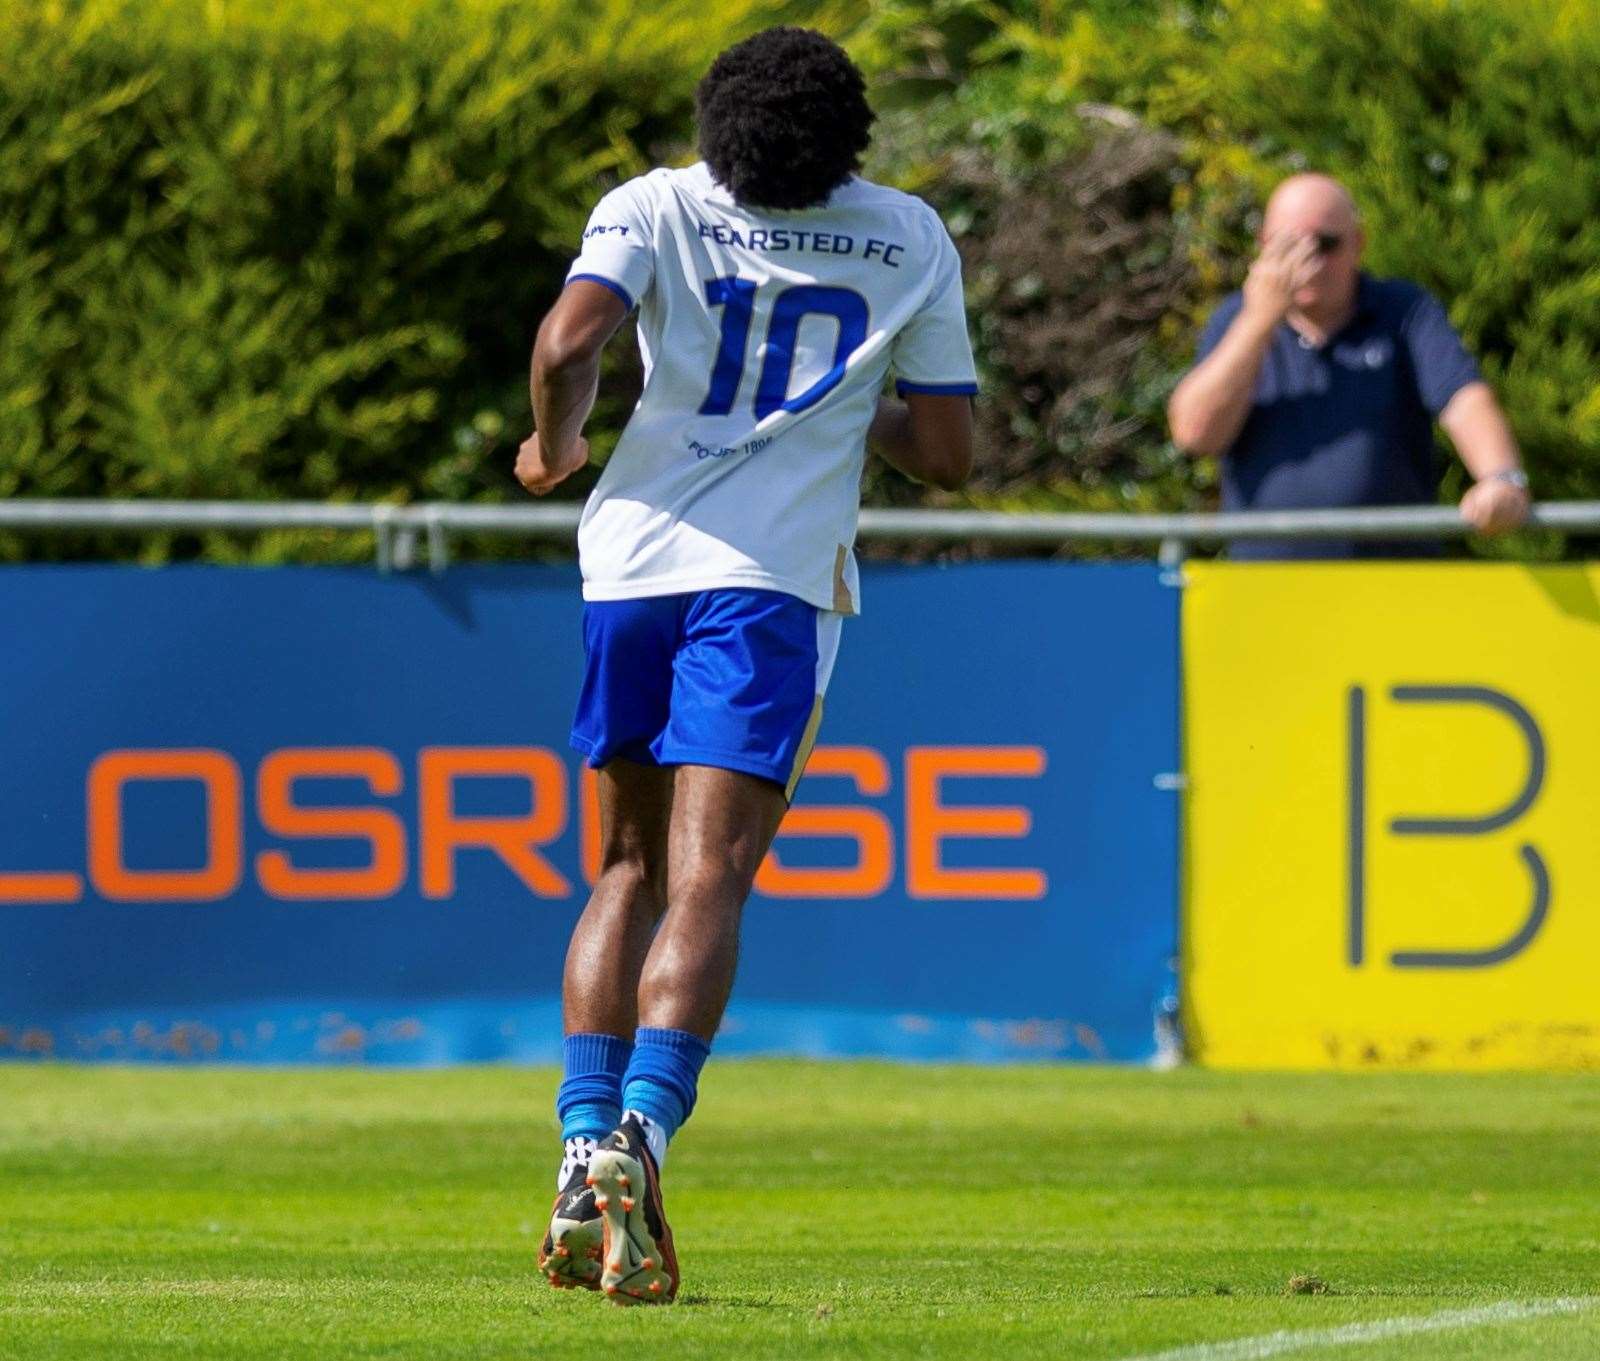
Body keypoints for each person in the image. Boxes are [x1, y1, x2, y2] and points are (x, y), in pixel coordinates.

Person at [514, 27, 977, 1305]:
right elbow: (946, 453)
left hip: (630, 567)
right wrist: (845, 399)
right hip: (769, 587)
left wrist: (554, 448)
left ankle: (576, 1139)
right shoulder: (906, 235)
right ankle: (642, 1139)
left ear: (718, 123)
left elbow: (566, 347)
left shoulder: (652, 204)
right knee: (710, 871)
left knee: (624, 862)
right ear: (849, 139)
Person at [1167, 173, 1529, 558]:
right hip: (1266, 595)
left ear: (1358, 243)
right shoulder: (1235, 321)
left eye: (1325, 244)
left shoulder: (1404, 311)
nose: (1307, 262)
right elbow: (1195, 434)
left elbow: (1463, 399)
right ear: (1262, 246)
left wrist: (1501, 479)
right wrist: (1259, 322)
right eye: (1287, 246)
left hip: (1390, 588)